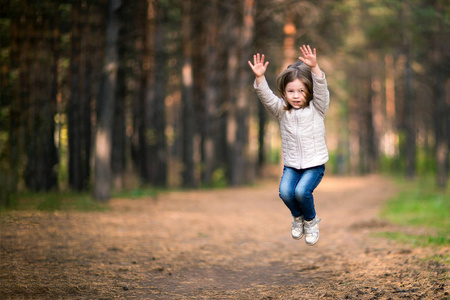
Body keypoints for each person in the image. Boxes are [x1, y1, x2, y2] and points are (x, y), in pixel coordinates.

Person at [248, 45, 330, 246]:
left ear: (308, 91)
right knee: (285, 192)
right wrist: (260, 78)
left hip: (314, 165)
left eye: (301, 91)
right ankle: (298, 218)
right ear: (284, 92)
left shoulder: (317, 108)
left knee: (302, 192)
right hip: (292, 165)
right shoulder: (282, 110)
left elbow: (321, 87)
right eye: (290, 91)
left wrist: (315, 68)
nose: (295, 96)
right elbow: (266, 97)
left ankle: (311, 221)